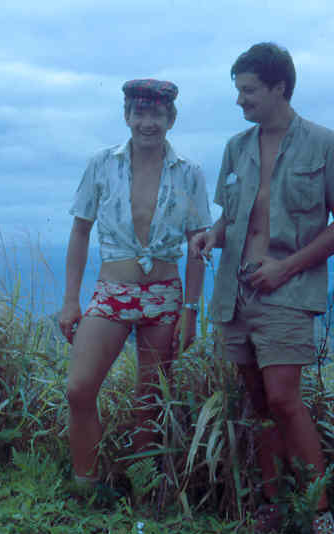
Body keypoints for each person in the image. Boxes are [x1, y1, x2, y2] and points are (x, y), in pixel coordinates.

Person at [190, 43, 334, 534]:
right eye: (239, 90)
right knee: (258, 402)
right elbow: (232, 219)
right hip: (235, 292)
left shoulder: (323, 143)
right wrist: (211, 236)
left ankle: (319, 514)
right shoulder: (235, 147)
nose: (240, 100)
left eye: (249, 90)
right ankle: (272, 505)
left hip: (288, 290)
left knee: (284, 399)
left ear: (279, 87)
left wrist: (285, 269)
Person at [59, 79, 211, 490]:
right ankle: (87, 486)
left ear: (171, 118)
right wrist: (71, 300)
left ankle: (144, 493)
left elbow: (198, 244)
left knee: (150, 402)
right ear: (127, 116)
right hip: (112, 293)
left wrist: (191, 310)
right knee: (79, 389)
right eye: (140, 113)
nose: (148, 122)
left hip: (165, 297)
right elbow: (80, 231)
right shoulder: (101, 164)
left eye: (157, 114)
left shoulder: (189, 172)